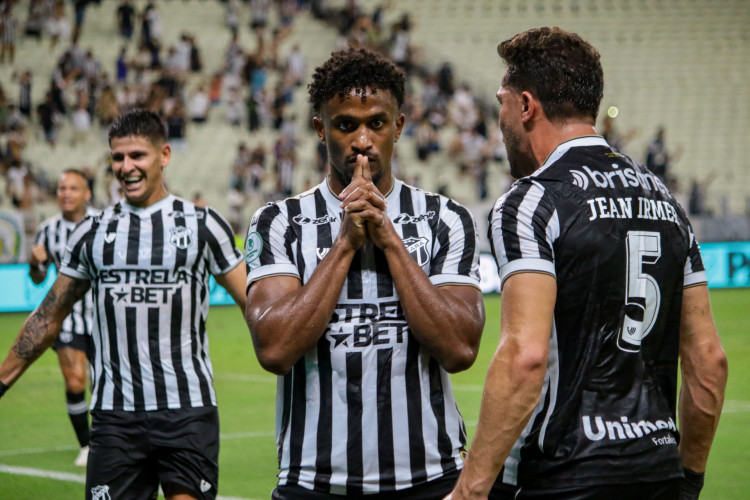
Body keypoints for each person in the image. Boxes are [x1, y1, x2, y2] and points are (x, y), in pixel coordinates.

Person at [447, 27, 727, 500]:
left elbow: (525, 357)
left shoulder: (531, 201)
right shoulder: (666, 201)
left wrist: (469, 491)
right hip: (657, 470)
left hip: (561, 474)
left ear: (526, 106)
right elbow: (708, 363)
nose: (499, 119)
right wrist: (689, 480)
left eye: (502, 101)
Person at [244, 47, 485, 499]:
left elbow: (459, 349)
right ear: (320, 129)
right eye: (345, 125)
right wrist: (345, 244)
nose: (361, 140)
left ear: (398, 126)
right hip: (313, 481)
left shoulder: (444, 218)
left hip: (429, 477)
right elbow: (275, 350)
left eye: (376, 122)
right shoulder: (279, 221)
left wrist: (389, 240)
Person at [0, 109, 248, 500]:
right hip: (116, 417)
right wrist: (2, 381)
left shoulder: (204, 225)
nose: (126, 167)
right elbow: (48, 317)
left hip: (187, 411)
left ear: (164, 155)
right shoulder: (93, 232)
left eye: (137, 156)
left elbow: (256, 303)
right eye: (118, 158)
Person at [28, 169, 99, 467]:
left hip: (102, 316)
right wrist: (35, 264)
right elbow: (37, 278)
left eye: (72, 188)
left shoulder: (104, 222)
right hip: (67, 317)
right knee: (74, 381)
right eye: (61, 188)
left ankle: (106, 440)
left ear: (87, 194)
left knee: (104, 384)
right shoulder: (47, 229)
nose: (65, 193)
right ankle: (86, 446)